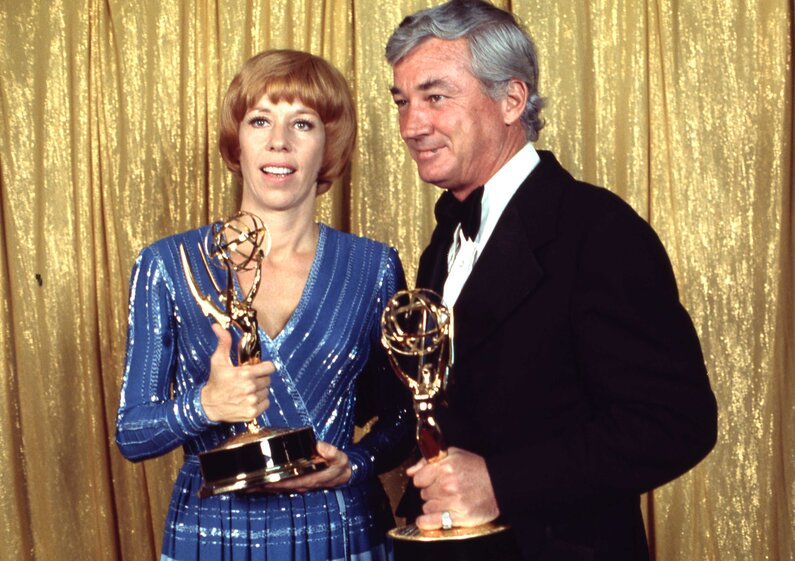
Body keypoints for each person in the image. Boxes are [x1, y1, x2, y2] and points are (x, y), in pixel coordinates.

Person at [385, 2, 718, 560]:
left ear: (511, 100)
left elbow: (675, 423)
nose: (412, 125)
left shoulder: (598, 230)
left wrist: (500, 481)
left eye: (435, 97)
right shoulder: (444, 241)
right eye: (403, 101)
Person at [116, 49, 414, 561]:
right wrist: (205, 406)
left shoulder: (374, 268)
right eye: (260, 120)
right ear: (238, 140)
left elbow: (404, 420)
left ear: (330, 145)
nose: (279, 141)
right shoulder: (166, 263)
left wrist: (356, 463)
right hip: (212, 536)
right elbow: (131, 433)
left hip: (343, 531)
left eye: (303, 123)